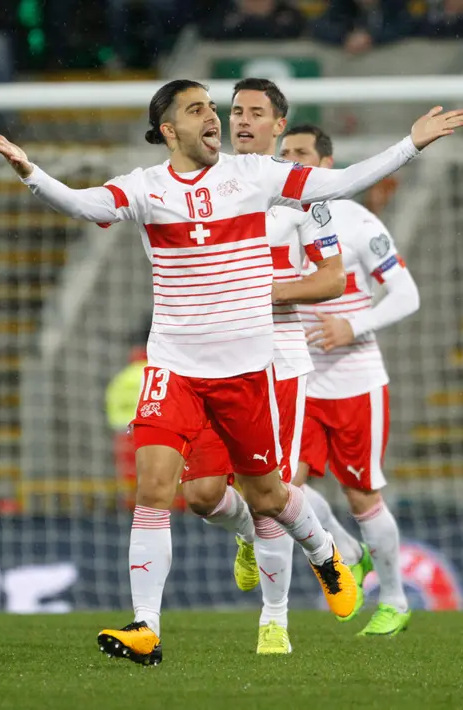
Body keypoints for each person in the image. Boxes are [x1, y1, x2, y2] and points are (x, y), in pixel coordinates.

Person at [0, 78, 463, 665]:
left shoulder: (255, 178)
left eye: (215, 110)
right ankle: (146, 626)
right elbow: (86, 205)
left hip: (247, 371)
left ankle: (323, 554)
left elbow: (340, 184)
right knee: (158, 491)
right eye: (200, 111)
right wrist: (31, 173)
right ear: (169, 130)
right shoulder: (145, 187)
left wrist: (410, 145)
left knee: (269, 496)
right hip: (173, 365)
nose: (214, 119)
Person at [176, 78, 347, 656]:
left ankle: (274, 622)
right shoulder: (203, 183)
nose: (242, 121)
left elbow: (333, 279)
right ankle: (255, 535)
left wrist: (269, 291)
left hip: (277, 358)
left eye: (256, 113)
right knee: (201, 495)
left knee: (271, 489)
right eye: (236, 111)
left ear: (280, 127)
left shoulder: (303, 196)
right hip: (211, 355)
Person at [284, 123, 420, 638]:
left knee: (362, 495)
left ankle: (395, 599)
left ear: (325, 165)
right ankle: (346, 550)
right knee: (282, 488)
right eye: (286, 153)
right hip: (299, 381)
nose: (291, 161)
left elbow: (408, 296)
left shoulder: (358, 222)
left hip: (353, 382)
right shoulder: (274, 221)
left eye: (302, 154)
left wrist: (352, 326)